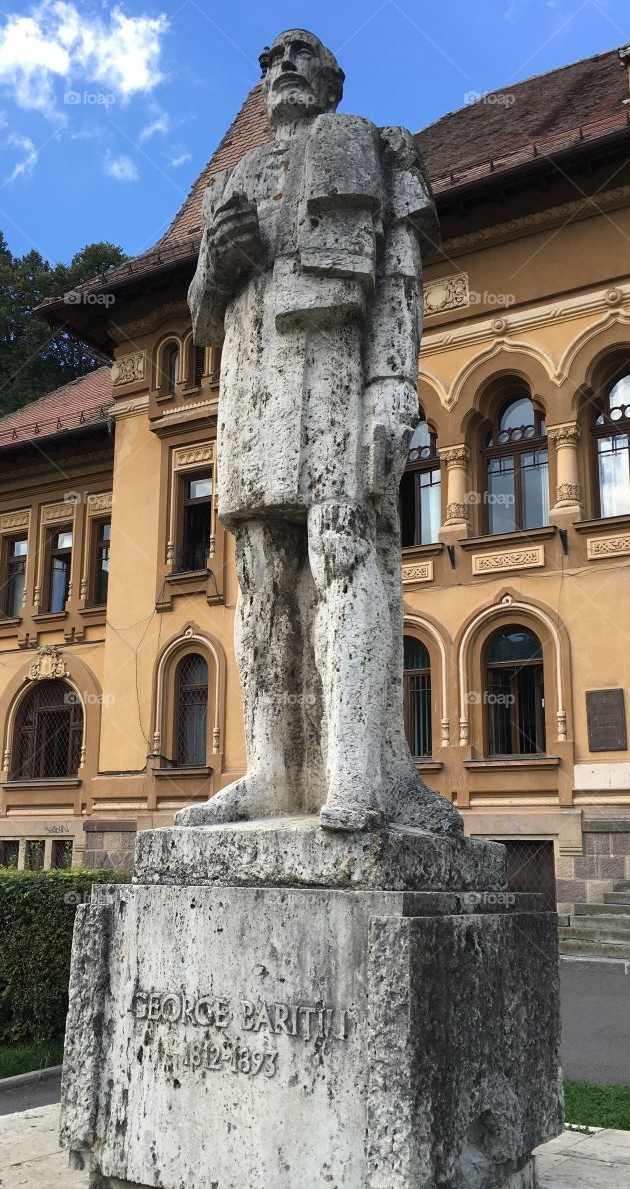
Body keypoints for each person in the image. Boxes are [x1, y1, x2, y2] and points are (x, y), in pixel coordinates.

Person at [178, 28, 462, 836]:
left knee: (344, 545)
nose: (282, 69)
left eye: (301, 57)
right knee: (265, 570)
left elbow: (400, 279)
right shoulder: (229, 180)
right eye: (269, 61)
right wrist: (213, 265)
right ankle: (272, 771)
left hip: (335, 372)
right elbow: (202, 319)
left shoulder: (367, 145)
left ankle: (356, 772)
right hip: (253, 382)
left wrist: (391, 390)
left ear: (332, 82)